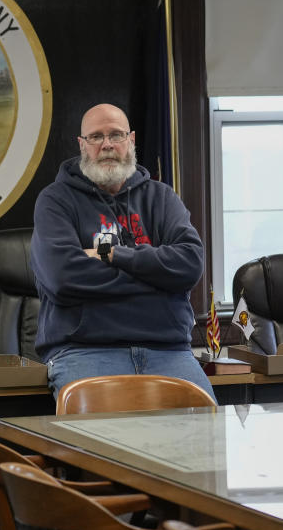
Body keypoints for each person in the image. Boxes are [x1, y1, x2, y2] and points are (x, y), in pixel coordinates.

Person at [30, 103, 216, 401]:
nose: (106, 145)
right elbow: (62, 277)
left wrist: (115, 255)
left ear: (131, 140)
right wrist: (157, 279)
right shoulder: (56, 201)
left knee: (206, 438)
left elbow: (190, 265)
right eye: (96, 137)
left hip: (168, 353)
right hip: (85, 352)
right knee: (99, 446)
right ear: (82, 145)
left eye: (116, 135)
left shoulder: (162, 198)